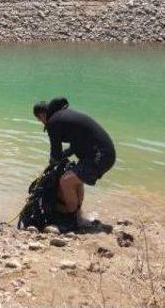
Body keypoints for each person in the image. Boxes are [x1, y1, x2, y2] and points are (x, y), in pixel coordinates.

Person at [32, 97, 116, 227]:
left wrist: (51, 165)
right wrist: (60, 158)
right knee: (74, 180)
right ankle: (79, 216)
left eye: (39, 120)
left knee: (66, 181)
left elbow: (55, 153)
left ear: (42, 115)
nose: (41, 122)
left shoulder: (53, 123)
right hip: (106, 154)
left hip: (100, 156)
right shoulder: (64, 117)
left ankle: (73, 221)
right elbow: (73, 148)